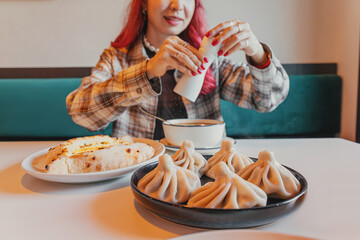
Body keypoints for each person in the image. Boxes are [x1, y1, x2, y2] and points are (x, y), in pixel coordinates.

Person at [66, 0, 289, 140]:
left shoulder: (209, 58)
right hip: (138, 175)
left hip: (204, 174)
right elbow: (81, 114)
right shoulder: (117, 58)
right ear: (143, 3)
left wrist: (258, 54)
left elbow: (267, 100)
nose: (177, 4)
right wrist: (148, 71)